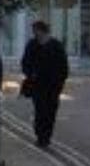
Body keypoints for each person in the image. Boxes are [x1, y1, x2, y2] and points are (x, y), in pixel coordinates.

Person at [21, 20, 69, 149]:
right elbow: (25, 62)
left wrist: (60, 82)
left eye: (36, 30)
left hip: (53, 86)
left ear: (42, 30)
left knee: (50, 112)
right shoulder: (32, 45)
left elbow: (63, 66)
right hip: (37, 85)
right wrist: (30, 74)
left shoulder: (56, 45)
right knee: (40, 111)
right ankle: (40, 136)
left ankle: (46, 137)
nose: (34, 33)